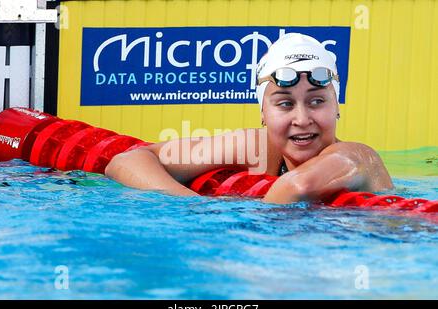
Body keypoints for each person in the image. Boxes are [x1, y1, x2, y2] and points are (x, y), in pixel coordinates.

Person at [105, 33, 393, 204]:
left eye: (317, 101)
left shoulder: (356, 156)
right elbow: (126, 160)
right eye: (284, 103)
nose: (302, 119)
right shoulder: (257, 148)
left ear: (337, 106)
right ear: (263, 113)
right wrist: (191, 207)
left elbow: (298, 187)